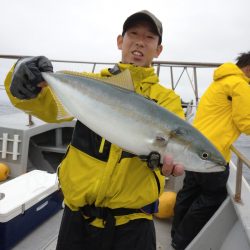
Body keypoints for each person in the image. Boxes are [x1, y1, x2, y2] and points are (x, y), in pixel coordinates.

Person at [5, 10, 185, 250]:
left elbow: (176, 145)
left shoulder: (167, 101)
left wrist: (168, 163)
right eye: (133, 34)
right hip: (77, 216)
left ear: (158, 49)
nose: (140, 41)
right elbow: (48, 107)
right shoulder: (91, 84)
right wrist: (20, 81)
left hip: (132, 223)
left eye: (150, 37)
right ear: (120, 41)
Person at [171, 51, 250, 250]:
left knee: (188, 194)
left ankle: (175, 236)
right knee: (211, 198)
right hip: (212, 155)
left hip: (195, 149)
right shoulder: (240, 85)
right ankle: (182, 242)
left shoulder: (220, 81)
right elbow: (246, 123)